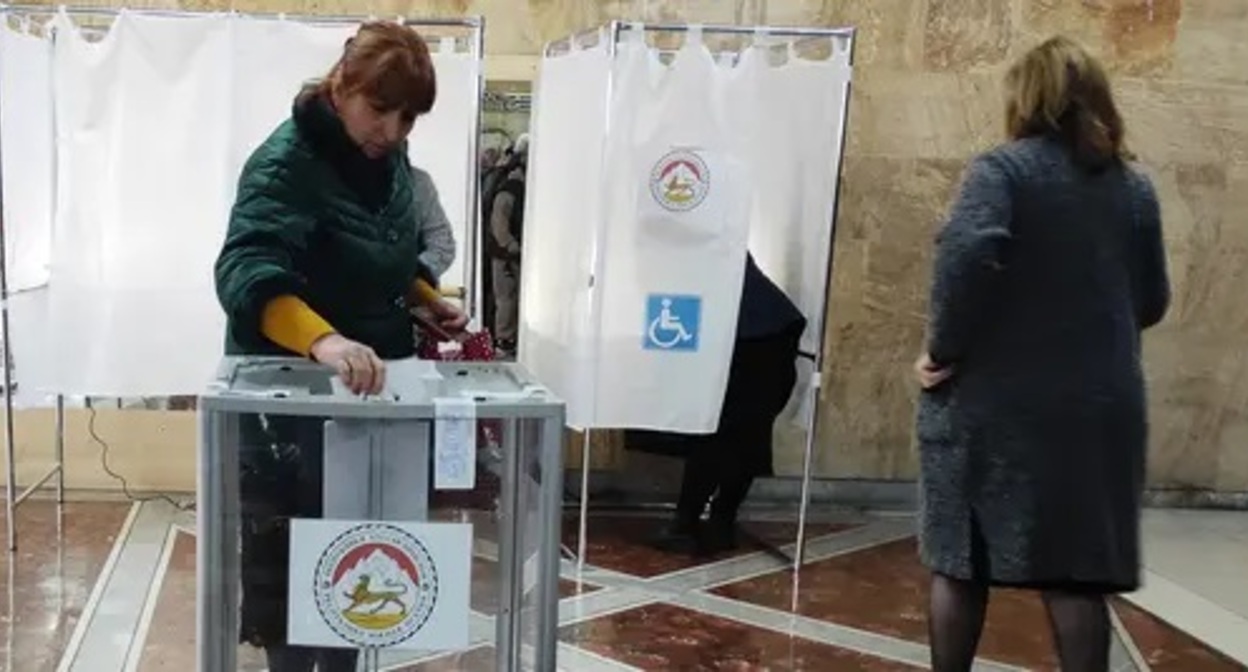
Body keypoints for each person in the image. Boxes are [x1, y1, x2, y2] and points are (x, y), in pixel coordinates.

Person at [213, 22, 468, 671]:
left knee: (357, 559)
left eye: (409, 117)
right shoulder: (286, 162)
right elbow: (247, 270)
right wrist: (323, 340)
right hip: (289, 404)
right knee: (294, 572)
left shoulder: (384, 157)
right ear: (342, 84)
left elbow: (370, 255)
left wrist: (420, 296)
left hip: (365, 397)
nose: (394, 129)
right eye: (380, 109)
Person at [914, 36, 1170, 672]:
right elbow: (1152, 300)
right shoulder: (1133, 190)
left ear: (1025, 98)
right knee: (1077, 577)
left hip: (997, 408)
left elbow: (967, 255)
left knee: (960, 564)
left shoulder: (1002, 171)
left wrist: (942, 348)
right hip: (1099, 408)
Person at [628, 253, 806, 556]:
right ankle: (720, 523)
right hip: (767, 331)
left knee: (715, 436)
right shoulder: (716, 232)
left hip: (750, 337)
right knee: (747, 435)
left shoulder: (697, 240)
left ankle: (685, 525)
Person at [486, 137, 527, 353]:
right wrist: (512, 245)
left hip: (507, 253)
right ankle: (504, 339)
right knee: (507, 299)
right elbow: (499, 222)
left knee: (508, 298)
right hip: (506, 255)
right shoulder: (512, 187)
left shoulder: (508, 183)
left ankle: (506, 338)